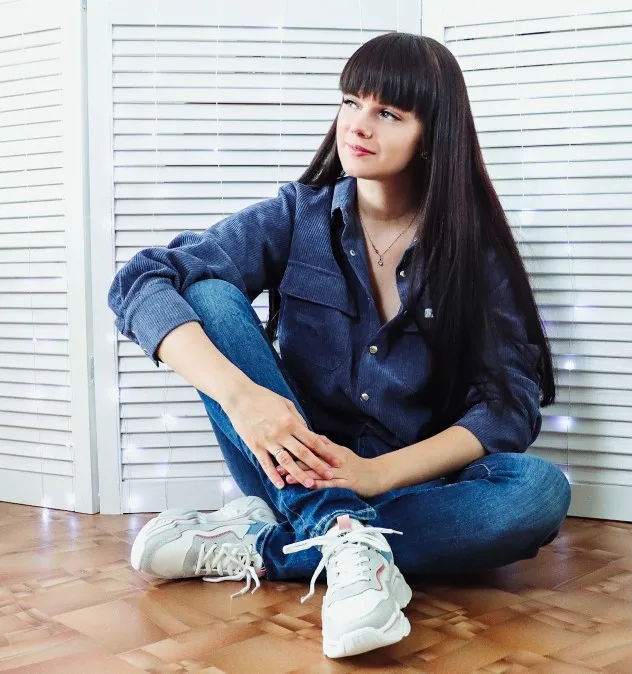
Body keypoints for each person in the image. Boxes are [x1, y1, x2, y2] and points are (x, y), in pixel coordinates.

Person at [108, 32, 571, 659]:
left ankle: (272, 546)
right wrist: (245, 401)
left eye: (388, 113)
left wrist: (374, 474)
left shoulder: (472, 248)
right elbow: (140, 280)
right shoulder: (296, 216)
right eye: (351, 101)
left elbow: (508, 406)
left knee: (538, 492)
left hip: (404, 480)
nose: (358, 124)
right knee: (209, 293)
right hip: (286, 461)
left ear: (431, 136)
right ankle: (337, 531)